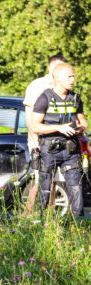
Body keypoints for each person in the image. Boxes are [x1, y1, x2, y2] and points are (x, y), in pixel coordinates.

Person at [31, 63, 88, 216]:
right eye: (69, 76)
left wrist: (81, 128)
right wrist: (59, 128)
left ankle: (78, 226)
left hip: (71, 151)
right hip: (49, 151)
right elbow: (35, 126)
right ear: (57, 78)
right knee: (45, 189)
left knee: (76, 189)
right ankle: (40, 222)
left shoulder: (75, 98)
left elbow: (83, 121)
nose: (73, 79)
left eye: (73, 76)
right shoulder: (44, 98)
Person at [23, 54, 67, 211]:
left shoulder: (61, 86)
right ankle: (29, 218)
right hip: (40, 141)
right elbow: (29, 116)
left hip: (57, 143)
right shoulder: (37, 86)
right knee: (41, 180)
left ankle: (48, 219)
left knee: (53, 182)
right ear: (53, 68)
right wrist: (36, 142)